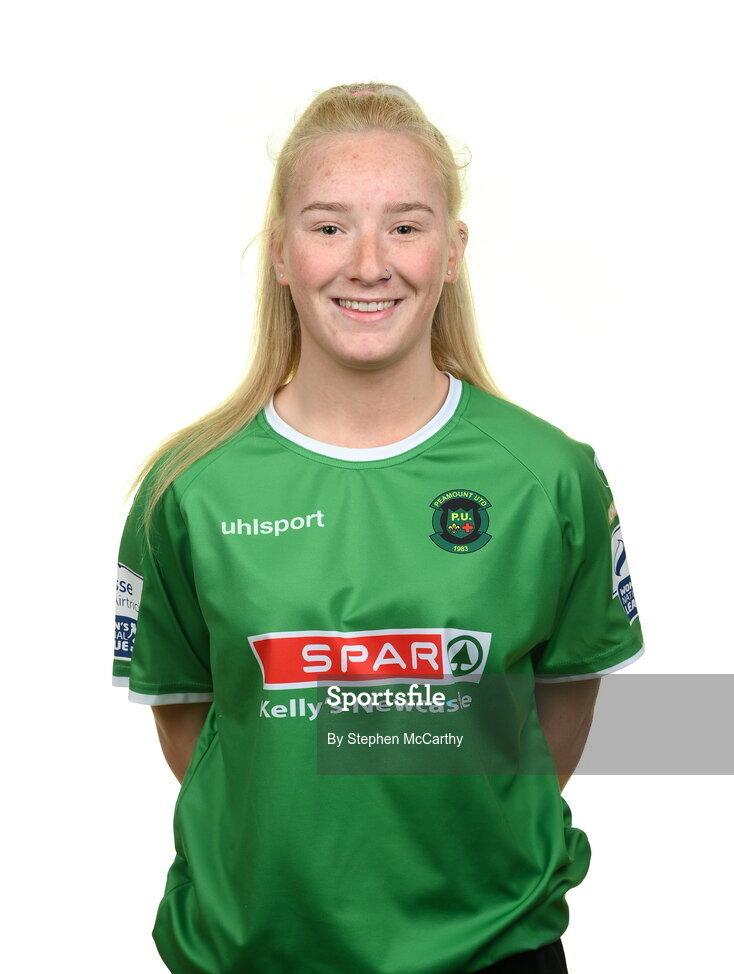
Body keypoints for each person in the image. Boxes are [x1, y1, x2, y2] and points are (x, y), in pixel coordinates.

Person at [112, 82, 645, 974]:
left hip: (492, 950)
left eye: (405, 225)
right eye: (328, 227)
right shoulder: (187, 489)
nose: (368, 263)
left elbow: (558, 711)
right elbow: (201, 729)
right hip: (253, 953)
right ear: (281, 254)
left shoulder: (549, 476)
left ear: (451, 253)